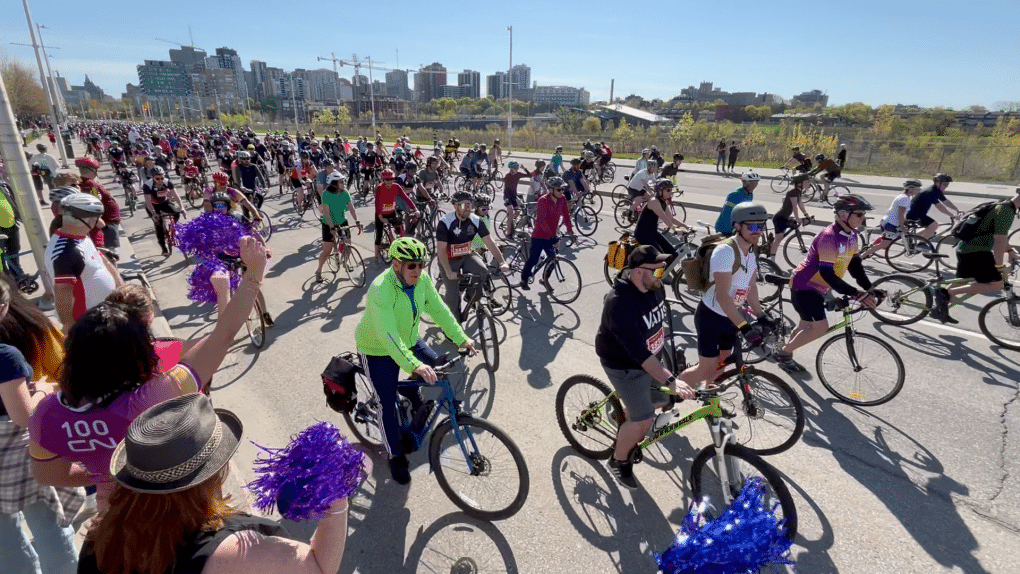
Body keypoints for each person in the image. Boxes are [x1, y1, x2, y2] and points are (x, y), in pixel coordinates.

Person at [28, 237, 269, 513]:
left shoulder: (46, 414)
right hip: (181, 514)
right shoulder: (157, 395)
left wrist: (106, 476)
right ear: (139, 351)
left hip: (114, 523)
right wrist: (253, 273)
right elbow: (222, 336)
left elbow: (48, 475)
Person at [76, 393, 351, 574]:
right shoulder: (237, 553)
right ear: (211, 475)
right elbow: (319, 567)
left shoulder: (100, 538)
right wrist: (336, 498)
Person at [354, 238, 475, 484]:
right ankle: (395, 455)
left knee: (439, 371)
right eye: (411, 266)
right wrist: (415, 365)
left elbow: (439, 309)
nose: (418, 271)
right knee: (386, 404)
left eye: (421, 265)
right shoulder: (381, 289)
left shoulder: (422, 281)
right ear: (397, 265)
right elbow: (388, 336)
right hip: (377, 348)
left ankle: (411, 392)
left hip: (409, 339)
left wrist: (461, 338)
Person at [595, 245, 696, 490]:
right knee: (644, 420)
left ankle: (625, 412)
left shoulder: (653, 286)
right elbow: (640, 356)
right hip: (625, 366)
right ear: (639, 272)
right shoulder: (619, 304)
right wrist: (671, 380)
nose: (663, 276)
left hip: (650, 359)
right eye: (657, 271)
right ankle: (618, 461)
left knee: (668, 401)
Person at [0, 279, 82, 574]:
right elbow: (23, 416)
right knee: (51, 530)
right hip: (20, 453)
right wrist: (43, 392)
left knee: (5, 541)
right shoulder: (8, 353)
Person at [775, 195, 879, 373]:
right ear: (843, 214)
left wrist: (870, 289)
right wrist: (856, 293)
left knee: (805, 325)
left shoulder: (852, 235)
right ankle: (783, 353)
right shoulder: (829, 238)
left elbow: (855, 266)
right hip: (805, 284)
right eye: (860, 214)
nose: (864, 219)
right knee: (820, 327)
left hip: (820, 286)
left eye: (864, 215)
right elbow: (827, 273)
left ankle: (785, 353)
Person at [679, 203, 774, 389]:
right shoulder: (725, 252)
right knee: (705, 369)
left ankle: (710, 398)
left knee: (723, 360)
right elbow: (722, 297)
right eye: (753, 226)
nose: (758, 231)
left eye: (761, 226)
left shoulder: (752, 251)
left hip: (731, 317)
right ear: (737, 226)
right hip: (711, 316)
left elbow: (751, 286)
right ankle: (670, 393)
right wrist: (744, 326)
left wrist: (761, 315)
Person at [935, 189, 1020, 324]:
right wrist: (1000, 267)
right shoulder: (1006, 212)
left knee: (963, 281)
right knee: (998, 284)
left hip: (966, 248)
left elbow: (999, 236)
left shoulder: (1002, 205)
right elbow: (999, 240)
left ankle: (939, 308)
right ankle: (948, 294)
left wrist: (1009, 251)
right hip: (976, 252)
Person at [45, 194, 121, 332]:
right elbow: (62, 292)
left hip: (104, 313)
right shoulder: (66, 252)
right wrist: (69, 326)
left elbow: (100, 260)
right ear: (90, 220)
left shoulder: (80, 236)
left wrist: (120, 286)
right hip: (89, 323)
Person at [435, 191, 509, 321]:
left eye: (469, 205)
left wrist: (502, 262)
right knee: (453, 299)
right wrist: (448, 271)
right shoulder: (445, 222)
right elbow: (440, 250)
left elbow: (489, 242)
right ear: (455, 206)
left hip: (467, 255)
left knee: (483, 271)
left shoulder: (476, 221)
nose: (467, 209)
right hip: (449, 260)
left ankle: (470, 297)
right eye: (463, 206)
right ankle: (453, 329)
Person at [519, 177, 574, 290]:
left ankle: (544, 279)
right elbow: (541, 221)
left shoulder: (562, 199)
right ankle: (523, 279)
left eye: (563, 189)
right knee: (534, 259)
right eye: (559, 189)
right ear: (551, 190)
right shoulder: (543, 200)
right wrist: (552, 236)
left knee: (553, 260)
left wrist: (570, 231)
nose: (562, 192)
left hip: (552, 235)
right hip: (539, 235)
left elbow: (566, 216)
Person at [314, 173, 362, 283]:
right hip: (328, 224)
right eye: (341, 182)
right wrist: (331, 228)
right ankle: (319, 271)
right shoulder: (326, 194)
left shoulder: (345, 193)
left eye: (343, 181)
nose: (343, 183)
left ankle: (344, 262)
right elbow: (326, 213)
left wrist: (357, 221)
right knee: (327, 251)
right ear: (334, 184)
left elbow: (351, 208)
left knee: (348, 245)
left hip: (342, 221)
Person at [860, 179, 921, 260]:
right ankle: (861, 256)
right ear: (910, 189)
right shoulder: (904, 199)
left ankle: (869, 247)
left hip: (891, 223)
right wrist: (902, 226)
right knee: (885, 244)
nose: (918, 191)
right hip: (890, 224)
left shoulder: (904, 197)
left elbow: (902, 214)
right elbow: (900, 214)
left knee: (887, 239)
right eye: (917, 189)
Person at [633, 179, 689, 261]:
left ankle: (665, 272)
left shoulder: (663, 202)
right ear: (659, 191)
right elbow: (665, 219)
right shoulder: (654, 202)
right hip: (643, 234)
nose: (670, 193)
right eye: (668, 190)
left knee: (673, 254)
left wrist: (685, 226)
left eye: (671, 190)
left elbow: (671, 218)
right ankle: (655, 274)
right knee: (661, 257)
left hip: (653, 232)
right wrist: (675, 230)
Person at [77, 156, 123, 256]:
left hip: (108, 220)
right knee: (111, 253)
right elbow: (94, 200)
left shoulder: (86, 183)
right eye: (96, 170)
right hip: (108, 222)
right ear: (92, 170)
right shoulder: (90, 183)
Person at [374, 169, 417, 263]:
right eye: (387, 180)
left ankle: (401, 248)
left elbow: (406, 198)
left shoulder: (396, 186)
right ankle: (376, 256)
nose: (389, 181)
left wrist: (415, 209)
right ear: (383, 180)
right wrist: (381, 217)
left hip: (391, 212)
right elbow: (377, 203)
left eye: (391, 179)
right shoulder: (379, 188)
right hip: (380, 214)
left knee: (400, 231)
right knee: (379, 235)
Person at [768, 173, 814, 259]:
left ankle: (771, 243)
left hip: (785, 217)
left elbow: (800, 205)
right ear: (800, 183)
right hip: (779, 218)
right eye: (807, 181)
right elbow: (794, 206)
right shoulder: (793, 192)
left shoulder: (798, 192)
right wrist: (797, 218)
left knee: (791, 229)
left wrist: (806, 215)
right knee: (779, 239)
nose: (808, 183)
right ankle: (772, 259)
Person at [142, 166, 186, 256]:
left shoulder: (167, 182)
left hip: (164, 202)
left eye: (162, 178)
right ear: (152, 178)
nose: (160, 180)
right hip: (153, 205)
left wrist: (182, 207)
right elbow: (147, 201)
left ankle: (172, 227)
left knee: (177, 213)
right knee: (158, 225)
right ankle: (164, 248)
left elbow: (176, 196)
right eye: (157, 178)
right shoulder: (147, 185)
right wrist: (153, 213)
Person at [905, 173, 962, 240]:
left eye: (947, 184)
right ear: (937, 183)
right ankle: (921, 244)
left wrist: (957, 209)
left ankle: (910, 237)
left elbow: (946, 201)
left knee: (931, 230)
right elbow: (939, 207)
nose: (946, 186)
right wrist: (952, 215)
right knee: (934, 225)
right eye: (945, 184)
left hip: (919, 213)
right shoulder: (931, 192)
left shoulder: (936, 190)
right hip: (915, 214)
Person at [714, 171, 761, 235]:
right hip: (725, 228)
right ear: (745, 183)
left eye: (756, 184)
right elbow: (726, 214)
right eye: (752, 184)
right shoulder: (734, 195)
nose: (754, 186)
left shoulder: (750, 194)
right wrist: (736, 227)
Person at [501, 161, 528, 237]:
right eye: (515, 168)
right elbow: (507, 189)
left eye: (517, 168)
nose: (517, 169)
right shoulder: (507, 176)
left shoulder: (518, 175)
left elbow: (529, 175)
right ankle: (508, 232)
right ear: (511, 169)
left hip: (513, 196)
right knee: (511, 211)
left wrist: (524, 168)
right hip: (507, 197)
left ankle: (510, 221)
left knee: (518, 211)